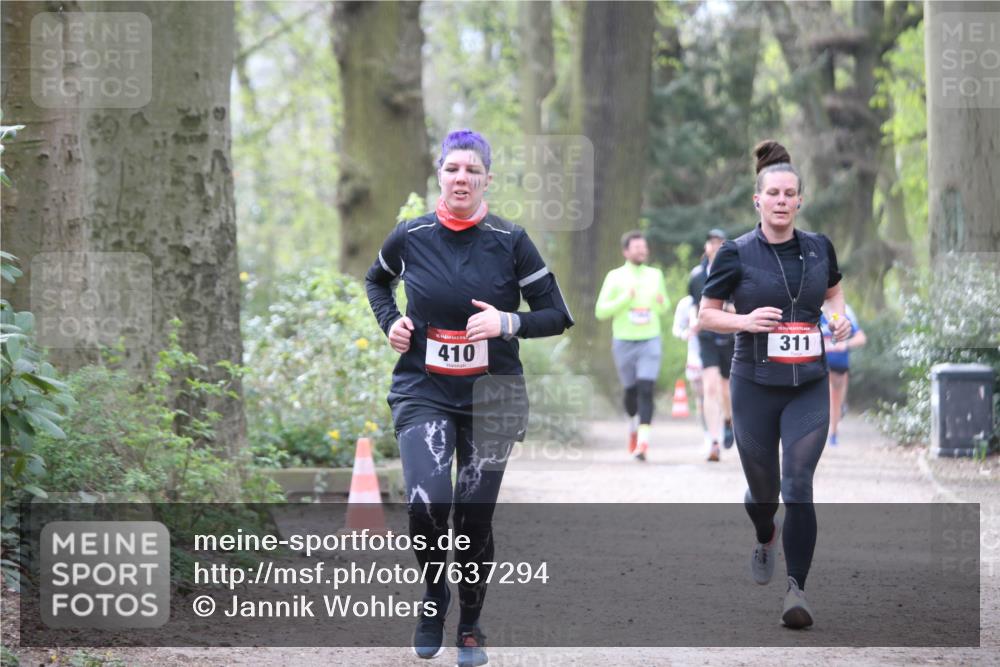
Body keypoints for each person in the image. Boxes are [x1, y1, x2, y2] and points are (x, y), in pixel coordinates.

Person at [365, 130, 573, 665]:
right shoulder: (411, 235)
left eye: (472, 171)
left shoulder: (511, 239)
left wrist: (507, 322)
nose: (462, 178)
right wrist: (392, 324)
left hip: (493, 394)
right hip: (423, 389)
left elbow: (557, 314)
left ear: (487, 180)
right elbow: (376, 282)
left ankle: (472, 621)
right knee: (427, 502)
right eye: (453, 168)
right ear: (440, 173)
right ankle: (435, 596)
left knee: (474, 518)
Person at [698, 140, 851, 629]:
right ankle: (765, 532)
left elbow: (833, 292)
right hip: (755, 383)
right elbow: (706, 317)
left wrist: (838, 318)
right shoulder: (735, 254)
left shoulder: (819, 246)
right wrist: (743, 322)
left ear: (800, 200)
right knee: (765, 495)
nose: (782, 200)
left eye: (790, 193)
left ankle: (796, 591)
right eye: (774, 193)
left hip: (808, 382)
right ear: (757, 200)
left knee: (798, 483)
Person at [595, 231, 671, 461]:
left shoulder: (655, 275)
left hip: (650, 339)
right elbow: (601, 311)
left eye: (644, 247)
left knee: (646, 388)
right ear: (626, 251)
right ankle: (633, 425)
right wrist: (625, 299)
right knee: (631, 391)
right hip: (624, 341)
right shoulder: (614, 276)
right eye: (637, 247)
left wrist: (661, 303)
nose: (642, 251)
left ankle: (643, 443)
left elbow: (665, 306)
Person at [688, 229, 736, 462]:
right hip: (706, 337)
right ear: (706, 247)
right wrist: (693, 322)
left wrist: (721, 311)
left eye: (720, 243)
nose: (715, 247)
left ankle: (729, 420)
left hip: (728, 337)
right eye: (711, 242)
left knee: (726, 390)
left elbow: (741, 310)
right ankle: (713, 441)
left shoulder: (735, 272)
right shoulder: (697, 276)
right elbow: (692, 305)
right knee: (710, 388)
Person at [820, 303, 866, 445]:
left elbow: (861, 338)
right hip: (817, 362)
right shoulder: (809, 305)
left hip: (838, 362)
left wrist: (845, 345)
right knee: (826, 397)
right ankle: (828, 432)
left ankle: (833, 433)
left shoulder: (843, 310)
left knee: (834, 398)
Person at [671, 294, 709, 444]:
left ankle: (720, 431)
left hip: (717, 353)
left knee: (716, 393)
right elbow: (676, 328)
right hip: (695, 355)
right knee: (701, 397)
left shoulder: (720, 298)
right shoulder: (685, 303)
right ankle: (708, 435)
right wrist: (684, 333)